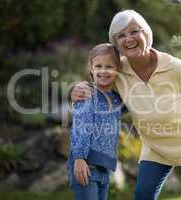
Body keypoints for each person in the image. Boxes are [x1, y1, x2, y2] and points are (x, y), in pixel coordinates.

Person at [71, 10, 181, 200]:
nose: (128, 39)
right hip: (155, 146)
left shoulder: (176, 68)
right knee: (143, 195)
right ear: (116, 44)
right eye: (121, 36)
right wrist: (76, 92)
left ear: (145, 33)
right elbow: (97, 91)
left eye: (133, 31)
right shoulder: (118, 71)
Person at [68, 43, 122, 200]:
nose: (103, 71)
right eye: (98, 66)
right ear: (91, 69)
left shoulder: (116, 99)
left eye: (109, 66)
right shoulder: (87, 93)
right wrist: (78, 158)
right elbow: (80, 127)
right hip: (85, 164)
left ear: (117, 69)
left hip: (104, 167)